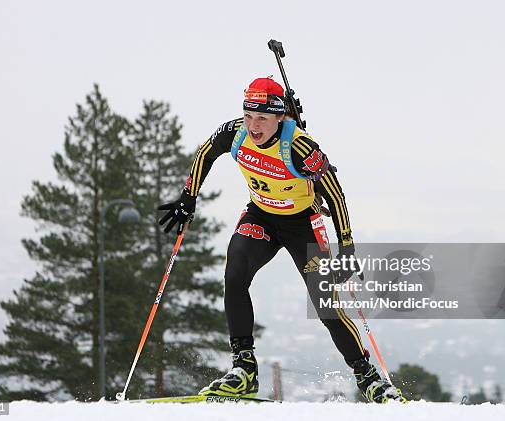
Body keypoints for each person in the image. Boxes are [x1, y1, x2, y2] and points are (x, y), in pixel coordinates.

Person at [158, 77, 404, 403]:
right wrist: (188, 198)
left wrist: (346, 246)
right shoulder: (235, 133)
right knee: (234, 275)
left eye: (262, 118)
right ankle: (244, 369)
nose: (253, 125)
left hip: (303, 225)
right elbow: (205, 152)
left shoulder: (300, 146)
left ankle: (370, 379)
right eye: (248, 116)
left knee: (326, 307)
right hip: (261, 216)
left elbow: (334, 191)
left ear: (279, 117)